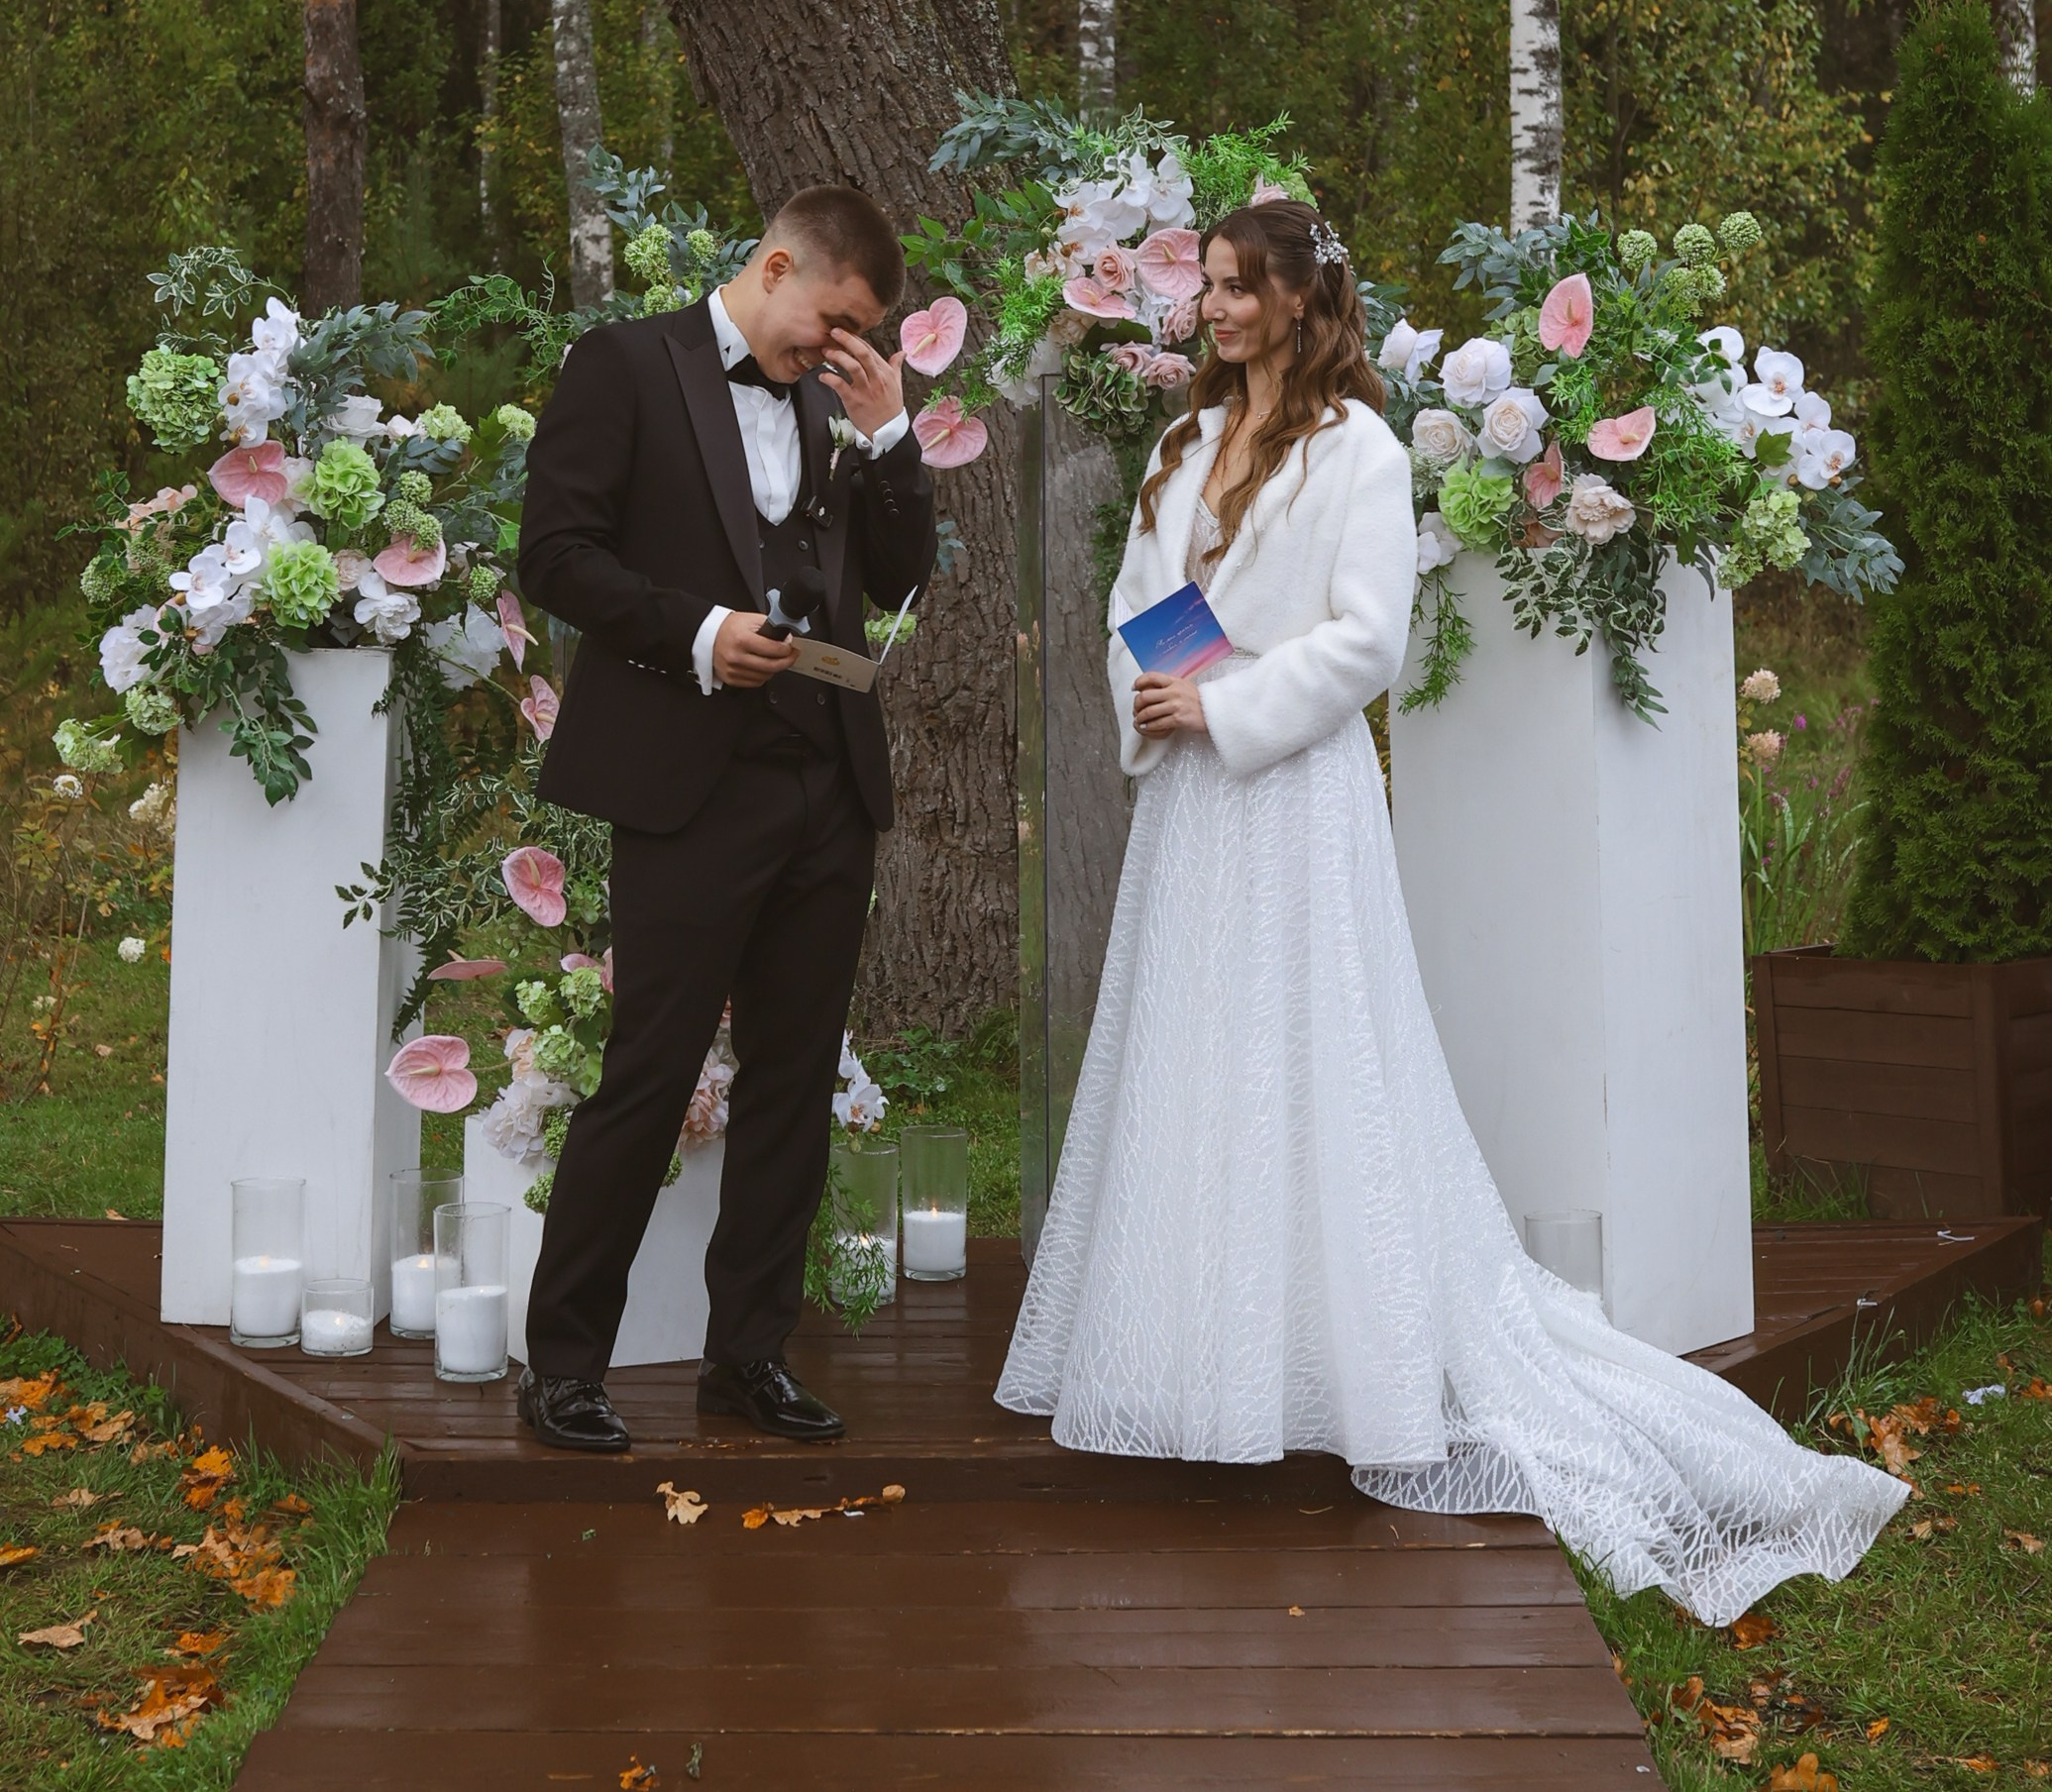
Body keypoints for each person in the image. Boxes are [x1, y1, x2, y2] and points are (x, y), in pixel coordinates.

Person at [996, 196, 1905, 1623]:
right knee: (1202, 1060)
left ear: (1301, 300)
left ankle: (1332, 1354)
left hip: (1290, 797)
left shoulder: (1357, 448)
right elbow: (1138, 601)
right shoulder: (1183, 441)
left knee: (1314, 1061)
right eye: (1207, 284)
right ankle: (1200, 1358)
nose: (1211, 307)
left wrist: (1227, 704)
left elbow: (1367, 637)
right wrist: (1156, 694)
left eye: (1236, 287)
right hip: (1189, 810)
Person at [514, 185, 936, 1453]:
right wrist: (698, 632)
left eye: (865, 333)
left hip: (826, 781)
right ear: (777, 264)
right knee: (646, 1072)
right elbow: (555, 553)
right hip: (687, 779)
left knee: (794, 1081)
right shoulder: (623, 363)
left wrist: (890, 435)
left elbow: (901, 575)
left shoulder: (832, 400)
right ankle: (565, 1364)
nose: (842, 346)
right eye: (836, 319)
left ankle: (748, 1352)